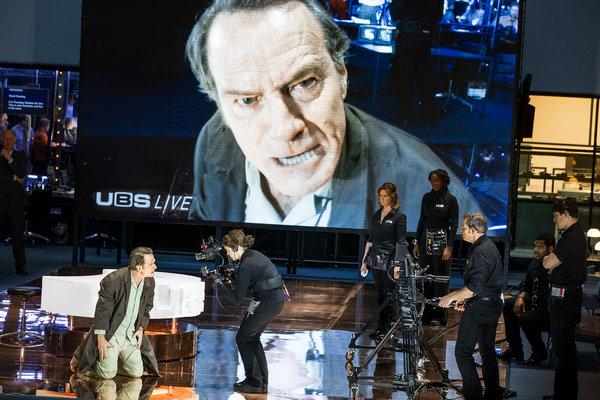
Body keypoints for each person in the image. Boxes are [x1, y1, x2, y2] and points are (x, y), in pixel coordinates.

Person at [185, 0, 481, 229]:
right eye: (247, 99)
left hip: (410, 35)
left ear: (342, 75)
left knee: (408, 77)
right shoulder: (214, 139)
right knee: (418, 76)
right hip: (423, 36)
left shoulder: (427, 194)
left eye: (305, 83)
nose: (285, 127)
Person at [439, 212, 504, 400]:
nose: (461, 231)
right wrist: (465, 299)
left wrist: (450, 297)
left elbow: (474, 288)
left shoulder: (480, 251)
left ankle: (473, 394)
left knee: (462, 353)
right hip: (491, 304)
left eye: (463, 228)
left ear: (473, 230)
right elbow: (482, 286)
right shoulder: (488, 245)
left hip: (481, 309)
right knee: (487, 350)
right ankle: (493, 392)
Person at [70, 247, 160, 379]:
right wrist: (101, 338)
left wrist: (141, 328)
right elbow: (102, 312)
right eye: (151, 264)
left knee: (136, 372)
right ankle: (92, 362)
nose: (155, 267)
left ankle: (114, 362)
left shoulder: (149, 281)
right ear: (139, 268)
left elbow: (147, 307)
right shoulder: (113, 280)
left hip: (129, 335)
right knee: (107, 374)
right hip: (111, 334)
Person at [216, 229, 286, 394]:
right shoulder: (252, 256)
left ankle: (255, 383)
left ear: (236, 247)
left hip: (267, 303)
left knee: (243, 338)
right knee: (252, 339)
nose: (227, 255)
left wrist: (219, 284)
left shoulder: (246, 266)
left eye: (228, 251)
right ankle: (261, 382)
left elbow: (237, 298)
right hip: (273, 301)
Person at [541, 198, 587, 400]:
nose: (554, 220)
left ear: (566, 213)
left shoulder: (571, 238)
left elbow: (547, 263)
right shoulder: (574, 235)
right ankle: (562, 394)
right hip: (567, 297)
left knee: (564, 350)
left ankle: (565, 395)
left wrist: (547, 259)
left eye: (556, 215)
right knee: (563, 349)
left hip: (565, 299)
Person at [360, 182, 407, 339]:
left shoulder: (399, 216)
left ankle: (391, 330)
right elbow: (371, 239)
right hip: (376, 259)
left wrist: (398, 264)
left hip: (391, 260)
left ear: (392, 197)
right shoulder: (376, 215)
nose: (382, 199)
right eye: (380, 196)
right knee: (380, 295)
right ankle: (381, 328)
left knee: (390, 295)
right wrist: (364, 261)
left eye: (385, 196)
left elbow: (401, 242)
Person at [498, 232, 553, 365]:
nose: (536, 249)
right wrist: (521, 297)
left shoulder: (554, 266)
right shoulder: (534, 264)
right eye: (535, 246)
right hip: (533, 304)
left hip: (547, 310)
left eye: (540, 247)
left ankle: (539, 352)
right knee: (509, 304)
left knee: (525, 318)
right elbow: (526, 285)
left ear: (550, 249)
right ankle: (515, 349)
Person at [414, 169, 458, 326]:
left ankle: (440, 315)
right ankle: (424, 313)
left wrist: (449, 246)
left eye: (436, 180)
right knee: (425, 277)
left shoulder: (451, 200)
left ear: (444, 181)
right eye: (431, 180)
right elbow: (421, 220)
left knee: (440, 278)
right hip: (425, 239)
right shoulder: (426, 198)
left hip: (442, 240)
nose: (433, 183)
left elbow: (454, 225)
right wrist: (417, 242)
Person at [389, 0, 443, 125]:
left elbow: (395, 13)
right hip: (426, 37)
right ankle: (429, 113)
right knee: (424, 75)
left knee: (405, 75)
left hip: (407, 35)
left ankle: (404, 114)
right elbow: (438, 16)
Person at [0, 129, 27, 275]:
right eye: (5, 139)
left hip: (16, 202)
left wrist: (9, 159)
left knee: (18, 237)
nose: (8, 142)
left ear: (15, 140)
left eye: (10, 139)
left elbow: (21, 173)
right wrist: (13, 178)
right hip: (1, 200)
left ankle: (21, 265)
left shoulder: (21, 156)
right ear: (1, 139)